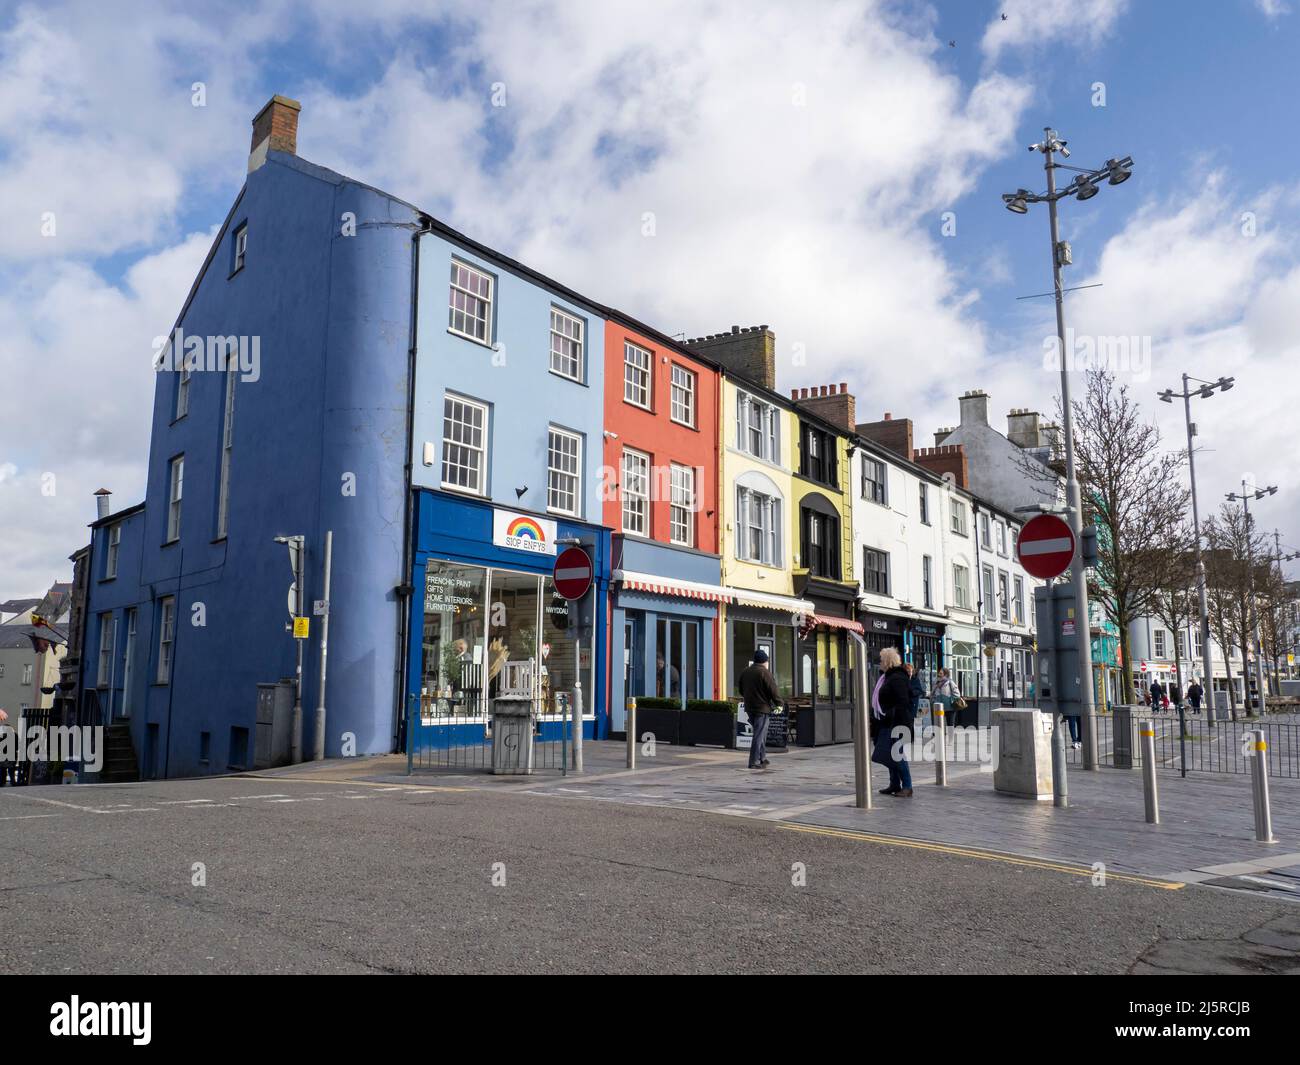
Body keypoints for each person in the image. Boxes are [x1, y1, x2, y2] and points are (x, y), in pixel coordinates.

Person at [875, 648, 913, 797]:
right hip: (888, 721)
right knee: (890, 753)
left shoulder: (897, 678)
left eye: (881, 660)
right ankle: (894, 784)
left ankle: (907, 786)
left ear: (887, 661)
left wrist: (890, 714)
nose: (879, 663)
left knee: (897, 754)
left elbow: (903, 701)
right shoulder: (887, 677)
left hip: (898, 722)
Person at [738, 648, 780, 770]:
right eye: (767, 661)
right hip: (762, 708)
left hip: (749, 707)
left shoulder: (745, 672)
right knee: (759, 735)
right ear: (764, 661)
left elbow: (741, 689)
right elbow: (773, 690)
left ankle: (762, 758)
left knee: (760, 733)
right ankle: (754, 761)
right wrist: (779, 703)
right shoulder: (764, 673)